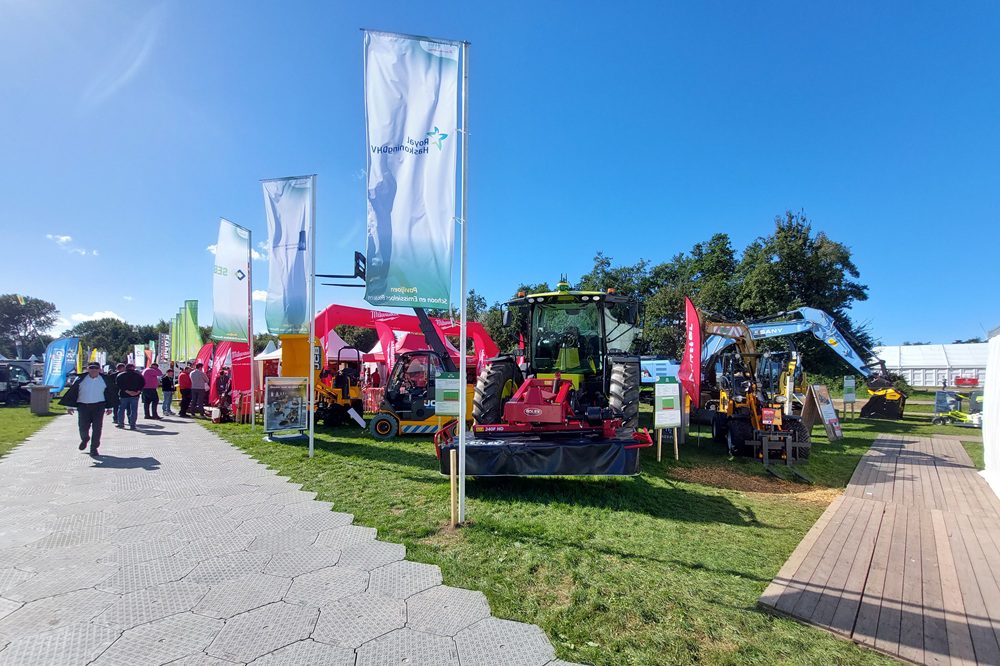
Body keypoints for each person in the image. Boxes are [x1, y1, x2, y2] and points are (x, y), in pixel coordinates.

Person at [59, 362, 120, 457]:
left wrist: (109, 407)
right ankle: (85, 438)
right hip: (83, 406)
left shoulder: (105, 380)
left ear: (100, 369)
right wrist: (69, 406)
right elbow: (72, 392)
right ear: (87, 369)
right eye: (91, 368)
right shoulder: (80, 379)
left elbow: (110, 394)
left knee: (97, 428)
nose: (93, 370)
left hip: (99, 406)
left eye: (96, 368)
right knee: (83, 427)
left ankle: (94, 448)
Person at [115, 363, 144, 430]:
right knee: (133, 410)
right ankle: (132, 425)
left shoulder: (120, 375)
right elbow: (142, 383)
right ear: (133, 368)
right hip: (135, 395)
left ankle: (121, 424)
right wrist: (138, 391)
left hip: (124, 394)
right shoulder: (138, 375)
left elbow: (119, 384)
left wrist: (127, 391)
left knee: (121, 409)